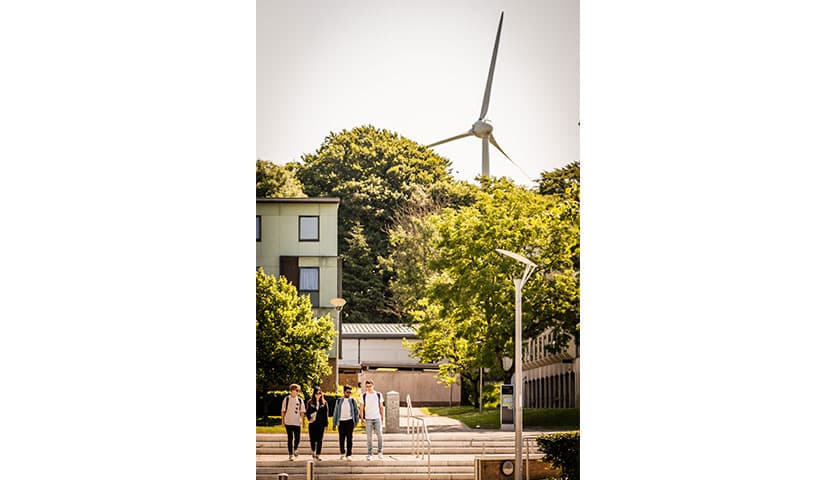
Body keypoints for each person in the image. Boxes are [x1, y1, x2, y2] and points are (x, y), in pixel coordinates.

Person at [332, 384, 360, 461]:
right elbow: (335, 412)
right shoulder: (339, 401)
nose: (349, 394)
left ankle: (349, 454)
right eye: (347, 392)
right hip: (341, 422)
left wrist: (356, 421)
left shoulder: (352, 401)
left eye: (350, 392)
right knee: (341, 438)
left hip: (350, 421)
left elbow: (356, 412)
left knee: (349, 438)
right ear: (344, 392)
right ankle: (342, 453)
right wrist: (334, 424)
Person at [359, 379, 385, 460]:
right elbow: (361, 407)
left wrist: (382, 417)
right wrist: (362, 418)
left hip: (377, 418)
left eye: (370, 386)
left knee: (380, 435)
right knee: (369, 437)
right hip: (368, 419)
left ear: (373, 385)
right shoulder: (363, 395)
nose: (369, 388)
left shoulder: (378, 394)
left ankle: (380, 452)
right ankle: (370, 453)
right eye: (367, 387)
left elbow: (381, 407)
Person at [280, 383, 305, 461]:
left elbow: (302, 412)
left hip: (297, 422)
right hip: (288, 421)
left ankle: (295, 449)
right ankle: (290, 454)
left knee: (297, 437)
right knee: (290, 438)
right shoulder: (286, 399)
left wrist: (303, 421)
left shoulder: (300, 400)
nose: (295, 392)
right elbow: (283, 411)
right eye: (294, 390)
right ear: (291, 390)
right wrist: (282, 420)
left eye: (297, 390)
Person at [305, 387, 330, 460]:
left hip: (321, 424)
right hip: (313, 423)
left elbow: (326, 414)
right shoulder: (310, 402)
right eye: (316, 393)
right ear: (314, 394)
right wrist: (309, 418)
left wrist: (326, 424)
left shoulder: (324, 403)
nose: (318, 395)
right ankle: (313, 451)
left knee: (320, 439)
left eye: (319, 393)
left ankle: (318, 454)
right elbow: (307, 412)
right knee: (312, 439)